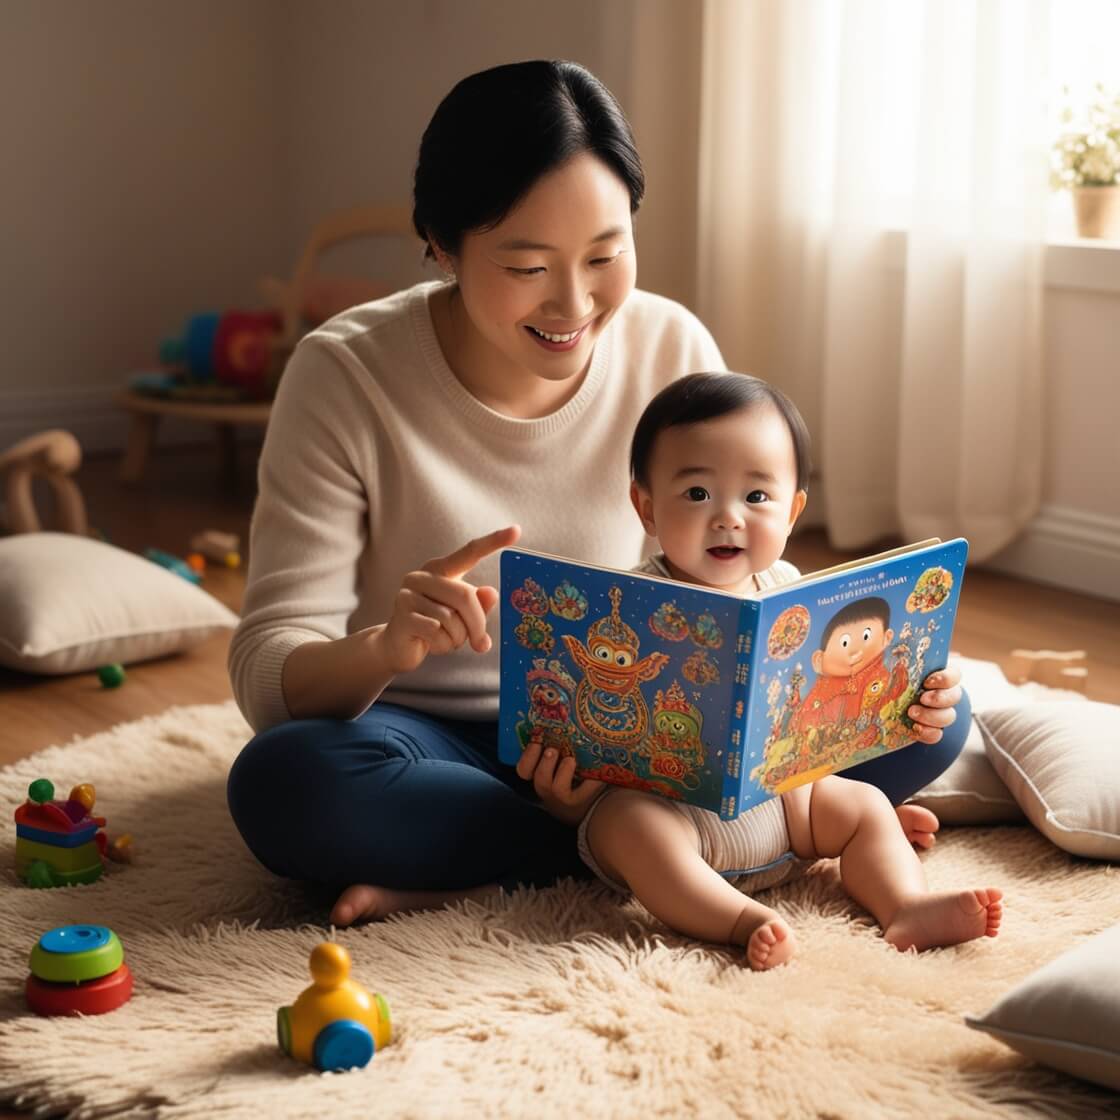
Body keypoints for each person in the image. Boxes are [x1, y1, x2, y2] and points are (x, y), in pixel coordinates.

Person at [225, 60, 971, 931]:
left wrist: (877, 682)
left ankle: (539, 864)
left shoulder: (670, 344)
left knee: (934, 722)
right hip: (430, 743)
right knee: (286, 784)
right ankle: (629, 852)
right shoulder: (344, 375)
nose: (574, 303)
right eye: (527, 265)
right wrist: (386, 648)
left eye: (606, 256)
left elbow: (742, 565)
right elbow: (267, 668)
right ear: (439, 241)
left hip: (648, 756)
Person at [533, 372, 998, 969]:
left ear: (793, 510)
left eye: (756, 497)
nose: (729, 517)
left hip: (789, 813)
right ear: (646, 507)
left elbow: (839, 696)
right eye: (697, 494)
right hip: (679, 823)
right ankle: (740, 919)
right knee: (629, 827)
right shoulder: (630, 604)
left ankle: (905, 903)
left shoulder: (794, 597)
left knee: (866, 808)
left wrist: (916, 692)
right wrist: (569, 797)